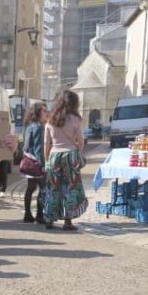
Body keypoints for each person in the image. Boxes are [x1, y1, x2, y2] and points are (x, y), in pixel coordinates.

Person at [42, 90, 89, 231]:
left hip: (54, 155)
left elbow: (46, 144)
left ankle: (49, 218)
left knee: (52, 188)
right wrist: (77, 155)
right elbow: (81, 142)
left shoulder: (50, 120)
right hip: (71, 154)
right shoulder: (76, 119)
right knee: (71, 188)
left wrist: (46, 161)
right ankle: (68, 221)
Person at [22, 102, 48, 224]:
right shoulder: (38, 127)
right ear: (38, 113)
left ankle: (27, 214)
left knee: (30, 188)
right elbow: (38, 148)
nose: (46, 113)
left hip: (28, 159)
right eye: (44, 111)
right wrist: (42, 164)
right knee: (43, 188)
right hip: (35, 161)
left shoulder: (29, 125)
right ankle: (39, 215)